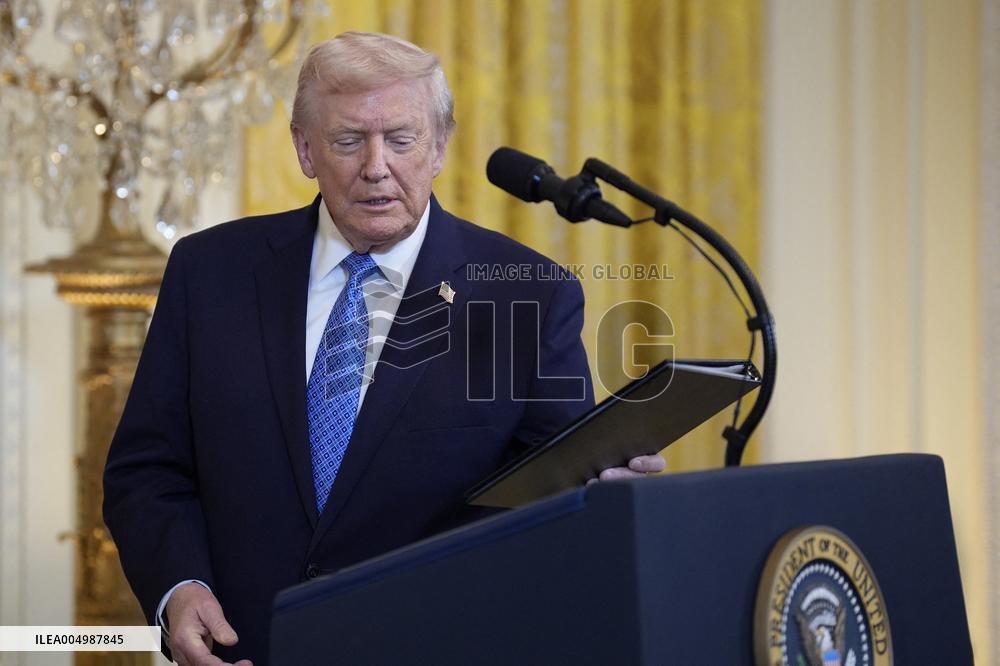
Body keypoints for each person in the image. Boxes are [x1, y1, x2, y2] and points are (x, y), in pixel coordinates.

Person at [103, 31, 664, 666]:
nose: (377, 166)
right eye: (349, 141)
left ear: (439, 148)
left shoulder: (531, 297)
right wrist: (179, 588)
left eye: (401, 139)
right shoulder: (209, 272)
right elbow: (148, 472)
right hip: (245, 650)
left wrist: (601, 491)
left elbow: (550, 495)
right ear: (304, 148)